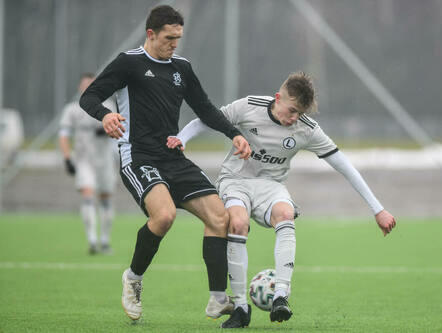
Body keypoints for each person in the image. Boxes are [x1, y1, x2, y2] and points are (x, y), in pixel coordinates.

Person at [167, 72, 397, 328]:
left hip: (271, 186)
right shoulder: (249, 107)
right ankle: (241, 308)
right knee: (238, 223)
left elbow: (344, 166)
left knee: (286, 214)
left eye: (300, 112)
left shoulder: (307, 129)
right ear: (278, 98)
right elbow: (208, 119)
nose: (294, 118)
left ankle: (281, 297)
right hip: (235, 180)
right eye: (291, 110)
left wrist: (378, 209)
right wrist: (182, 138)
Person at [79, 5, 251, 322]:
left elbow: (206, 108)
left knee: (219, 217)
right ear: (151, 33)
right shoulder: (128, 63)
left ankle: (216, 299)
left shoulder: (181, 68)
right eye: (169, 38)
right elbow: (88, 98)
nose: (174, 44)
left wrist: (234, 134)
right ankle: (132, 278)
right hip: (138, 155)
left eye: (178, 38)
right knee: (165, 215)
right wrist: (105, 116)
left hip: (172, 157)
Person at [59, 73, 117, 255]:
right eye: (84, 84)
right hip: (84, 159)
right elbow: (64, 135)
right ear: (79, 87)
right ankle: (92, 239)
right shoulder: (72, 110)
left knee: (106, 198)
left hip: (105, 159)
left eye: (91, 84)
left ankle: (105, 240)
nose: (87, 87)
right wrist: (67, 158)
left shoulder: (108, 106)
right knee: (88, 194)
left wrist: (108, 131)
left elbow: (120, 131)